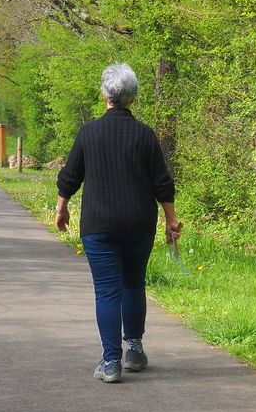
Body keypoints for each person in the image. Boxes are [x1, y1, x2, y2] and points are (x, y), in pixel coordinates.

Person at [55, 63, 180, 383]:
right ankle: (134, 351)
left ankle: (111, 362)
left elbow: (70, 177)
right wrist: (170, 220)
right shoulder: (145, 135)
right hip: (139, 223)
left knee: (107, 292)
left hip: (98, 225)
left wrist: (61, 208)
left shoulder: (89, 132)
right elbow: (162, 183)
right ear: (133, 98)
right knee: (134, 284)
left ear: (104, 94)